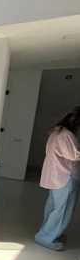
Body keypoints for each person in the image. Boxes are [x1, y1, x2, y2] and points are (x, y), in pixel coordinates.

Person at [35, 107, 80, 251]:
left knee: (53, 208)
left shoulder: (56, 132)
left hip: (57, 176)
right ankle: (45, 238)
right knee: (62, 209)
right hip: (64, 176)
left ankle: (50, 233)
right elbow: (74, 155)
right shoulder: (66, 135)